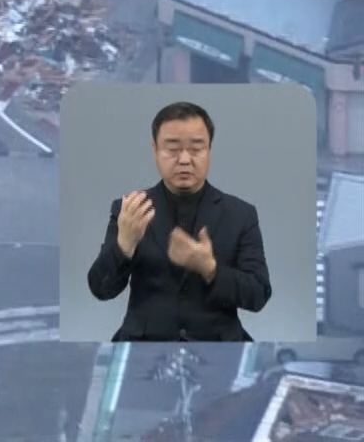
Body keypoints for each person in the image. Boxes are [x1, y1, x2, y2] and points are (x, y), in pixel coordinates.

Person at [86, 101, 271, 341]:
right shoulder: (130, 209)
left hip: (218, 350)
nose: (184, 159)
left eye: (196, 148)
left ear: (209, 151)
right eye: (172, 149)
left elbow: (258, 294)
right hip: (144, 349)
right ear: (154, 150)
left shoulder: (240, 214)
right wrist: (124, 245)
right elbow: (101, 289)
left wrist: (210, 269)